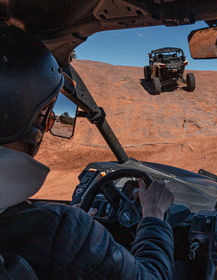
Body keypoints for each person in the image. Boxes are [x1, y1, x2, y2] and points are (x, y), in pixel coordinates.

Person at [0, 27, 174, 279]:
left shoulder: (53, 227)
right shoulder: (58, 232)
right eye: (47, 117)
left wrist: (73, 220)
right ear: (32, 120)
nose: (47, 126)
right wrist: (155, 216)